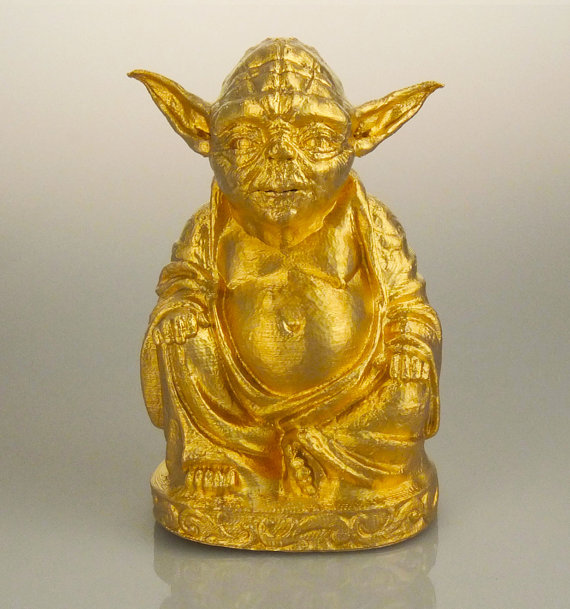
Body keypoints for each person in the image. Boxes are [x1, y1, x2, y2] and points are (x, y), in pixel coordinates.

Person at [132, 37, 442, 550]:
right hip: (236, 415)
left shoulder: (371, 224)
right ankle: (217, 456)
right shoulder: (211, 226)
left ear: (361, 135)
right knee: (179, 338)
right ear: (202, 135)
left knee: (407, 393)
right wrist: (181, 308)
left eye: (315, 139)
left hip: (352, 402)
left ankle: (337, 459)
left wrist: (411, 345)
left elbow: (407, 302)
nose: (279, 159)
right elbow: (182, 283)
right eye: (244, 140)